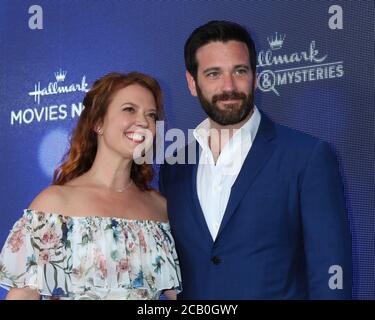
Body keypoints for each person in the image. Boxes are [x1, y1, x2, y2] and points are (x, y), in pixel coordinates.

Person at [159, 20, 352, 299]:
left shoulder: (307, 156)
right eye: (213, 74)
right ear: (192, 82)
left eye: (240, 71)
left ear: (255, 76)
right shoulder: (174, 167)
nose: (229, 86)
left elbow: (330, 270)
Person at [0, 72, 181, 300]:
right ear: (98, 123)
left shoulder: (160, 209)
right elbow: (24, 295)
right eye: (129, 109)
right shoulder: (55, 205)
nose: (144, 122)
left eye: (151, 115)